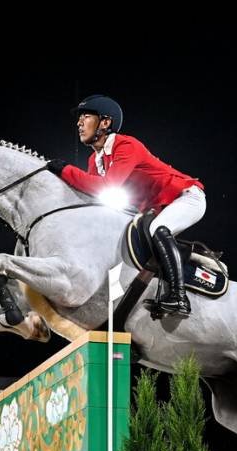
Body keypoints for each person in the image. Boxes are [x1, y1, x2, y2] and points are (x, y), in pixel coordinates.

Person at [47, 94, 205, 319]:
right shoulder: (95, 160)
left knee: (158, 230)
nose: (79, 123)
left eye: (86, 117)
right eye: (79, 118)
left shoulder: (127, 145)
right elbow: (93, 199)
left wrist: (65, 171)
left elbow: (104, 186)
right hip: (155, 207)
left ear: (105, 122)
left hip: (186, 196)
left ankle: (180, 297)